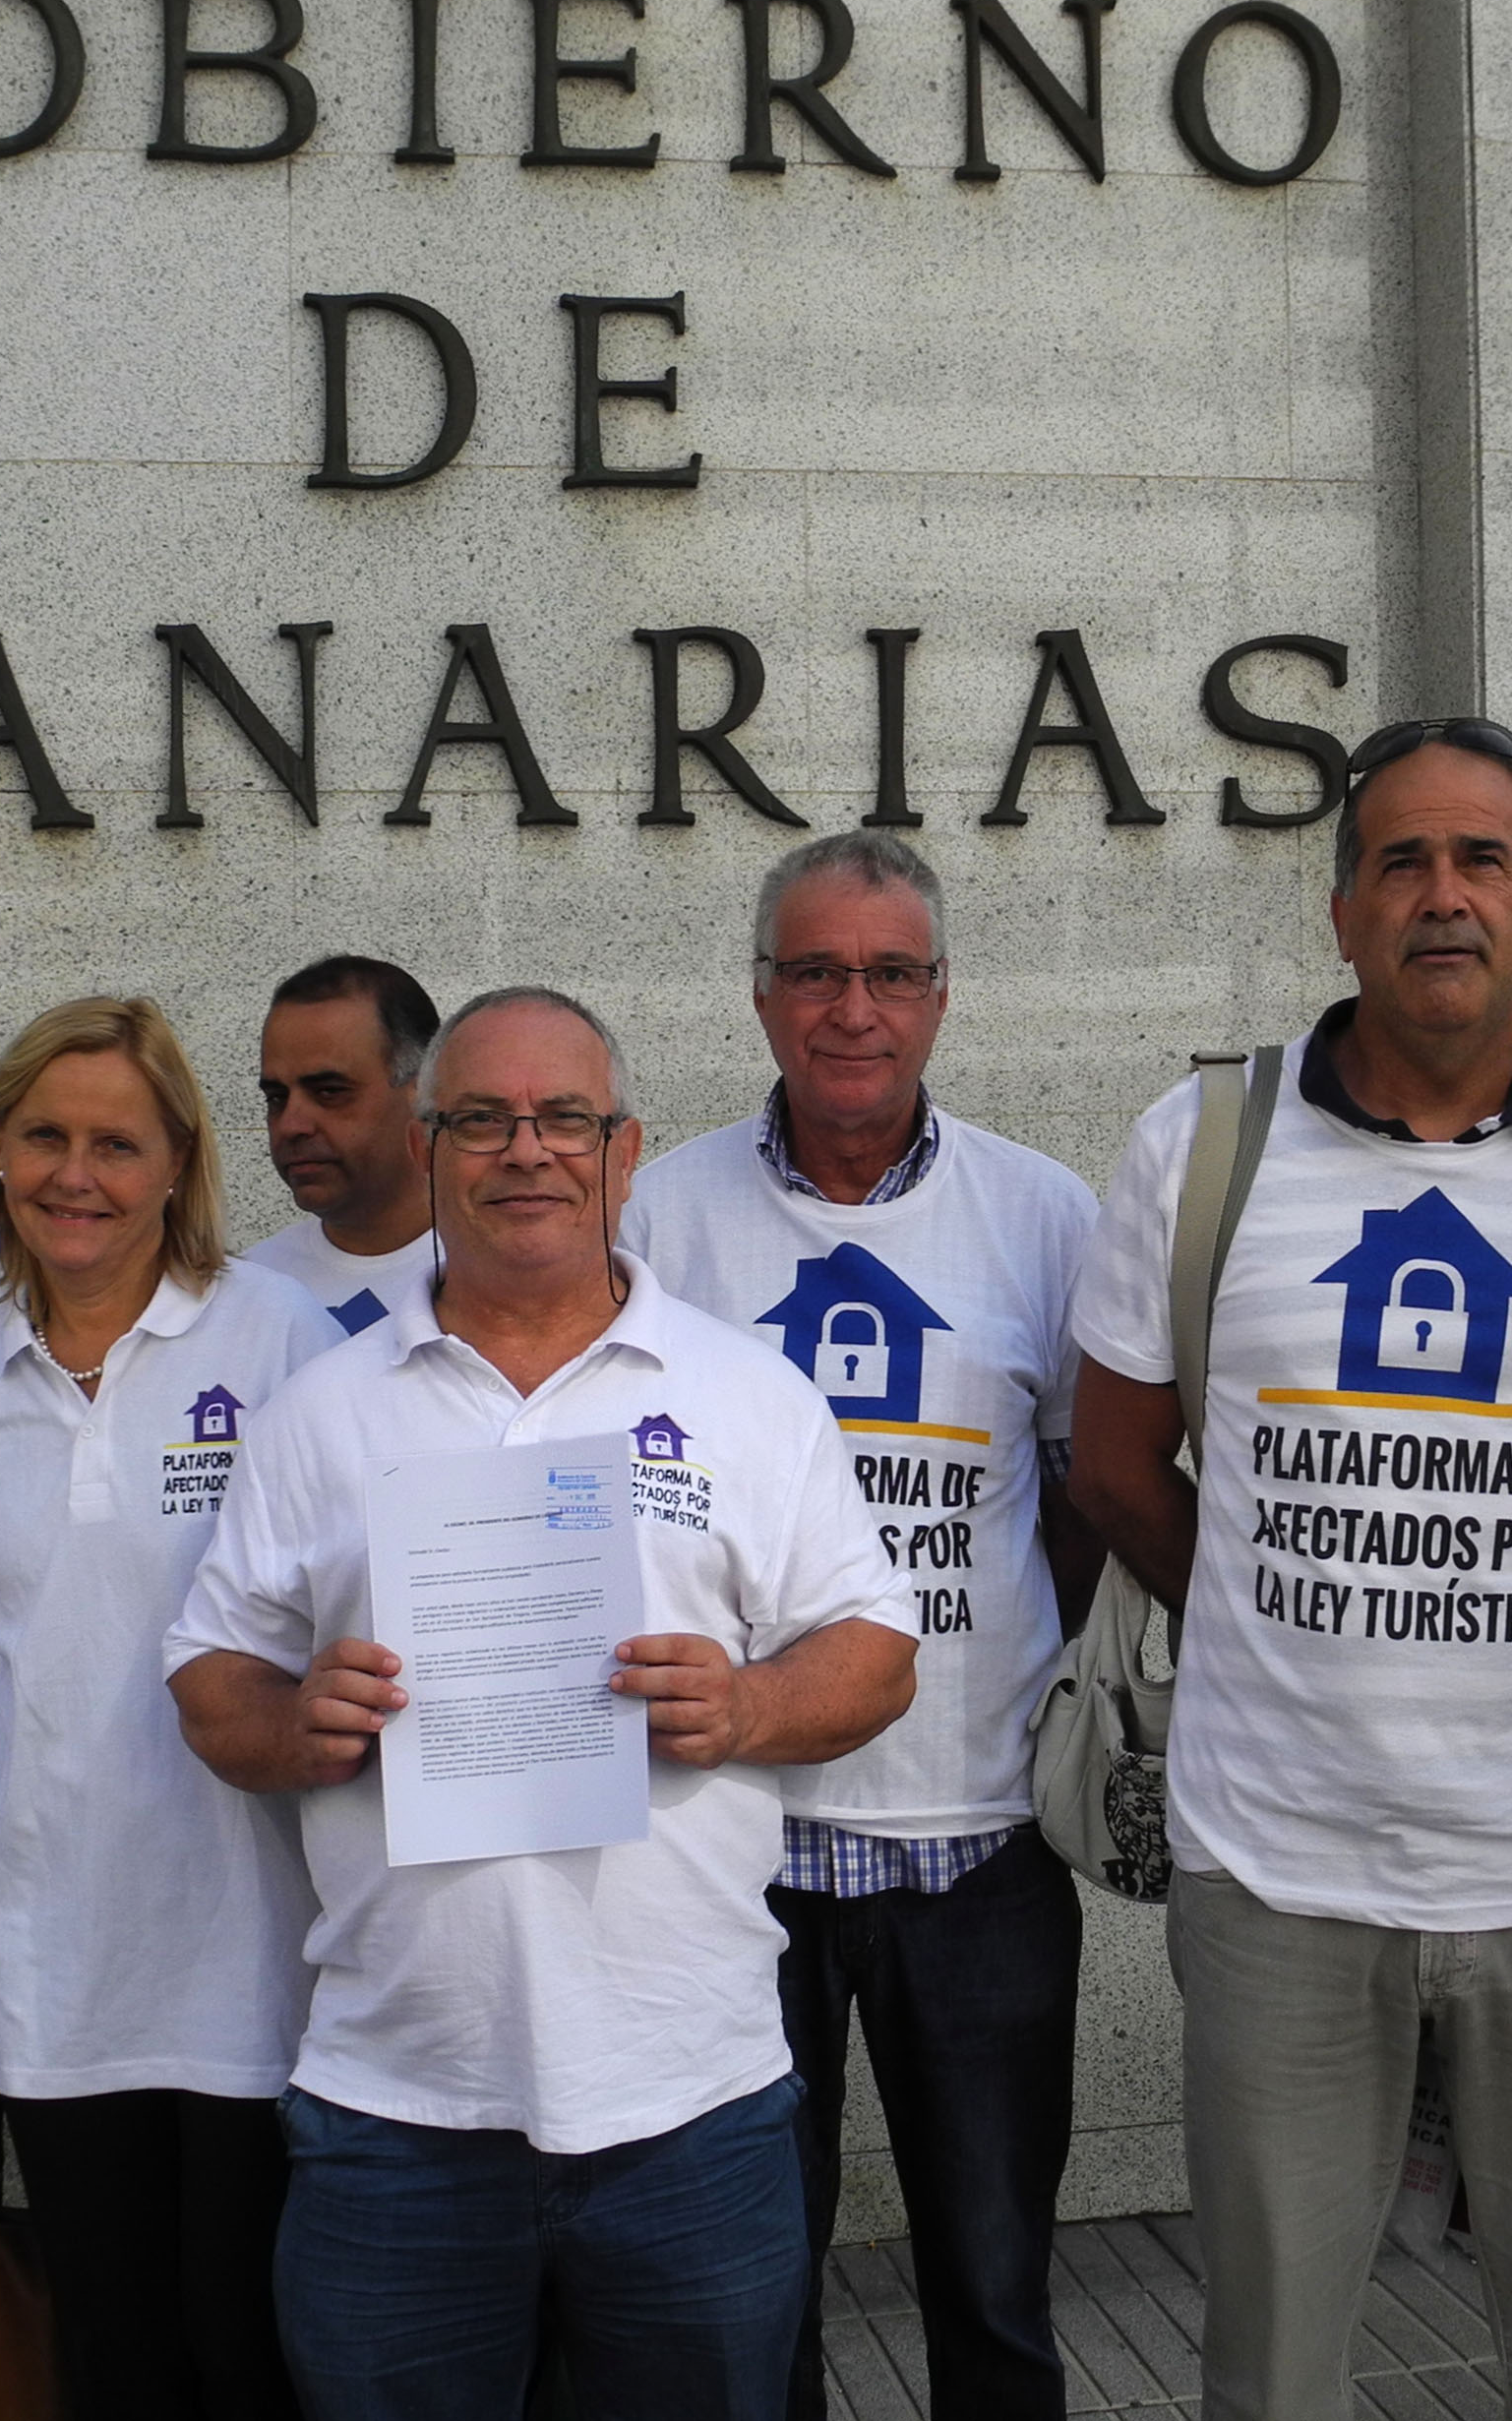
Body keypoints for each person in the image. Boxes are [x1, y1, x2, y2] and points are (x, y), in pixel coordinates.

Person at [1067, 717, 1512, 2421]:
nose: (1443, 895)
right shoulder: (1203, 1141)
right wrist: (1281, 1608)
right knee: (1268, 2371)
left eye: (1480, 858)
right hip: (1275, 1869)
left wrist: (1491, 1621)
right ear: (1341, 906)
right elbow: (1115, 1457)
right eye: (1402, 861)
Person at [165, 986, 920, 2421]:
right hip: (398, 2104)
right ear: (431, 1148)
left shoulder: (746, 1395)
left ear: (623, 1151)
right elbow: (210, 1676)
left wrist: (748, 1708)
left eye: (564, 1119)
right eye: (485, 1121)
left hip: (688, 2103)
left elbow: (875, 1652)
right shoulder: (325, 1409)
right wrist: (292, 1722)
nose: (528, 1152)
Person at [620, 833, 1102, 2421]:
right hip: (724, 1856)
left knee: (993, 2291)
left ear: (940, 999)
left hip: (976, 1858)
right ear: (759, 994)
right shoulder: (657, 1220)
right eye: (814, 969)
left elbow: (1082, 1504)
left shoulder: (1038, 1215)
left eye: (889, 972)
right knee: (748, 2308)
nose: (851, 1008)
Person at [0, 996, 338, 2421]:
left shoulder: (274, 1340)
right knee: (113, 2356)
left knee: (249, 2346)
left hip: (250, 1944)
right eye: (42, 1136)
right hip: (60, 1958)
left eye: (114, 1142)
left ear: (176, 1165)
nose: (73, 1175)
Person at [241, 954, 444, 1337]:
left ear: (424, 1095)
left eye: (330, 1092)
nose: (292, 1125)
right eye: (276, 1098)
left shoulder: (497, 1277)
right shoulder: (243, 1293)